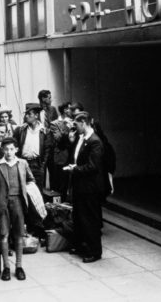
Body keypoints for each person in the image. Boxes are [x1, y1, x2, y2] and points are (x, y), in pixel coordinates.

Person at [0, 137, 35, 281]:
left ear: (16, 150)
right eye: (6, 149)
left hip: (18, 204)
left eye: (11, 149)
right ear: (2, 150)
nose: (9, 152)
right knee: (3, 235)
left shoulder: (22, 163)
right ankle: (6, 267)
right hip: (3, 204)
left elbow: (31, 179)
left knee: (19, 234)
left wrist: (28, 193)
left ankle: (19, 266)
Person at [65, 111, 105, 263]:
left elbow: (93, 166)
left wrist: (74, 169)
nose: (75, 127)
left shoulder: (95, 142)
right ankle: (82, 246)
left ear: (84, 122)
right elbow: (77, 156)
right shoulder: (81, 138)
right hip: (80, 186)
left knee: (90, 219)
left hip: (90, 188)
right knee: (80, 217)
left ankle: (95, 251)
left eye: (76, 124)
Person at [14, 103, 51, 191]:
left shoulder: (44, 131)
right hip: (23, 163)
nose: (26, 116)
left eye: (29, 114)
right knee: (22, 190)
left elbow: (47, 150)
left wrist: (42, 166)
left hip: (37, 164)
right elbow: (15, 146)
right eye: (26, 114)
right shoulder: (20, 130)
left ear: (36, 115)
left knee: (37, 191)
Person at [49, 102, 73, 201]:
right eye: (70, 109)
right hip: (62, 157)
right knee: (61, 184)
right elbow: (58, 139)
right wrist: (66, 126)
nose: (71, 111)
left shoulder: (75, 121)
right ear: (65, 110)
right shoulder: (54, 124)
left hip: (74, 157)